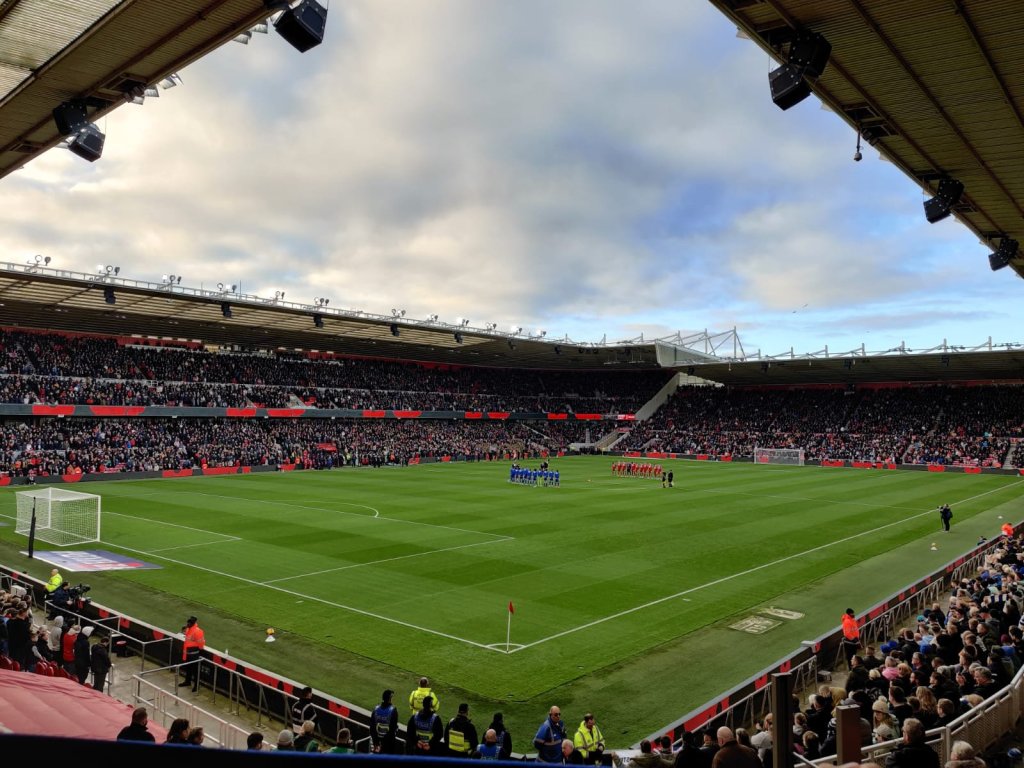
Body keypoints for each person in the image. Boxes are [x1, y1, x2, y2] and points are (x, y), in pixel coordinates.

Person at [370, 688, 400, 754]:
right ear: (390, 699)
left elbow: (372, 727)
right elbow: (393, 729)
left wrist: (376, 742)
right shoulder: (393, 710)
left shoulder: (376, 709)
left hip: (376, 742)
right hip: (388, 744)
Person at [180, 616, 204, 692]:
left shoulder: (198, 631)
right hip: (188, 653)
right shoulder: (188, 629)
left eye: (189, 623)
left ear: (193, 623)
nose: (187, 624)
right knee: (188, 668)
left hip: (194, 654)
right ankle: (187, 681)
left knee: (195, 671)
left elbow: (201, 644)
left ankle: (196, 686)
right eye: (188, 623)